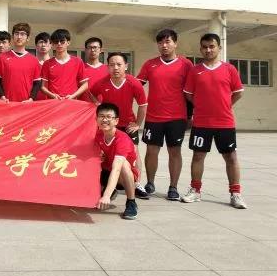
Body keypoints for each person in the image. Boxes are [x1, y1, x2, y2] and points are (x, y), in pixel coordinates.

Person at [182, 33, 246, 209]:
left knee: (231, 157)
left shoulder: (229, 69)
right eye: (205, 47)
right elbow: (188, 94)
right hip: (201, 123)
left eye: (212, 46)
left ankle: (235, 194)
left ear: (219, 48)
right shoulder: (195, 70)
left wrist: (224, 105)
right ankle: (195, 191)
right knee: (198, 156)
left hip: (225, 122)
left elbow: (238, 92)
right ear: (200, 49)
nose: (208, 50)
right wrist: (202, 106)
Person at [137, 29, 193, 201]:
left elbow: (191, 91)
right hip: (153, 117)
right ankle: (150, 183)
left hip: (177, 117)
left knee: (174, 151)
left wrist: (191, 116)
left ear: (175, 43)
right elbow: (137, 85)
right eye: (160, 43)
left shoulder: (186, 64)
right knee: (151, 151)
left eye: (168, 42)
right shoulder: (150, 64)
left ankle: (173, 187)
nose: (164, 45)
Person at [90, 52, 149, 199]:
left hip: (127, 125)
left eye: (119, 64)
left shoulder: (134, 83)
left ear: (126, 66)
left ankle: (136, 183)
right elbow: (91, 93)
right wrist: (98, 104)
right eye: (112, 65)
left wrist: (137, 124)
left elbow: (143, 105)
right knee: (105, 154)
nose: (115, 68)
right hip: (109, 125)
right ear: (107, 67)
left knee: (134, 152)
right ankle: (109, 184)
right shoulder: (102, 83)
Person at [95, 102, 139, 220]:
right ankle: (107, 190)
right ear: (96, 119)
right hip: (105, 171)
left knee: (123, 164)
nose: (105, 120)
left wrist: (106, 196)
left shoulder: (122, 139)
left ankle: (131, 202)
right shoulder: (97, 135)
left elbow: (117, 169)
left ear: (116, 121)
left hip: (123, 177)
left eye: (109, 117)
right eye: (101, 116)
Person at [0, 23, 42, 102]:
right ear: (12, 37)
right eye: (16, 33)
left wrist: (31, 99)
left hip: (26, 104)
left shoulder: (34, 60)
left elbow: (37, 83)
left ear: (28, 38)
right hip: (7, 103)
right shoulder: (2, 57)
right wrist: (2, 96)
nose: (19, 37)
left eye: (22, 34)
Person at [40, 29, 88, 100]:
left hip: (71, 102)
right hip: (53, 102)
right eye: (56, 42)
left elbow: (85, 85)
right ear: (52, 44)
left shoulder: (78, 61)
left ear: (68, 42)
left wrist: (73, 96)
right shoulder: (47, 63)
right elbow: (42, 86)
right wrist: (53, 95)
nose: (59, 44)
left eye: (62, 41)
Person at [81, 37, 109, 102]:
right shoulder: (80, 68)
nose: (92, 50)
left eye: (95, 47)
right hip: (83, 106)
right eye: (89, 47)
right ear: (85, 50)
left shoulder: (108, 69)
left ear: (100, 50)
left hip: (103, 106)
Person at [34, 32, 51, 100]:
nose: (43, 45)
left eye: (46, 42)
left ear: (51, 45)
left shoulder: (55, 63)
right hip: (33, 101)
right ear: (36, 45)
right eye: (41, 42)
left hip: (51, 101)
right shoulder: (31, 63)